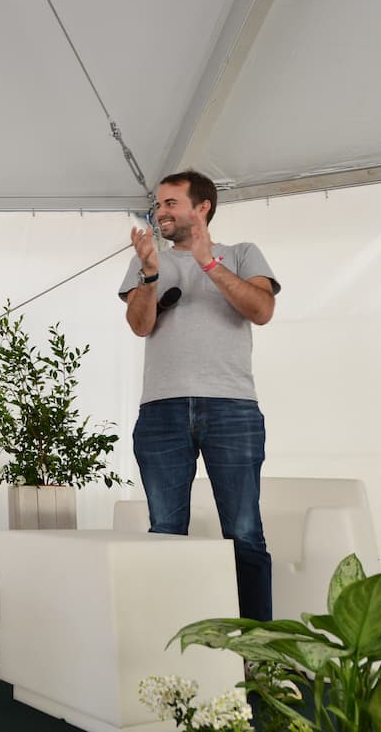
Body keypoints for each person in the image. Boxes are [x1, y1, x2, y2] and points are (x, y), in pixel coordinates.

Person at [119, 169, 280, 621]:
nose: (160, 212)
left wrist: (209, 263)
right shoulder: (147, 261)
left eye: (170, 203)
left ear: (202, 207)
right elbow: (140, 326)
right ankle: (173, 640)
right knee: (166, 531)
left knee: (244, 533)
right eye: (158, 205)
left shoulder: (242, 253)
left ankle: (256, 649)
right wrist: (150, 275)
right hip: (161, 410)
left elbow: (261, 310)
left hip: (232, 408)